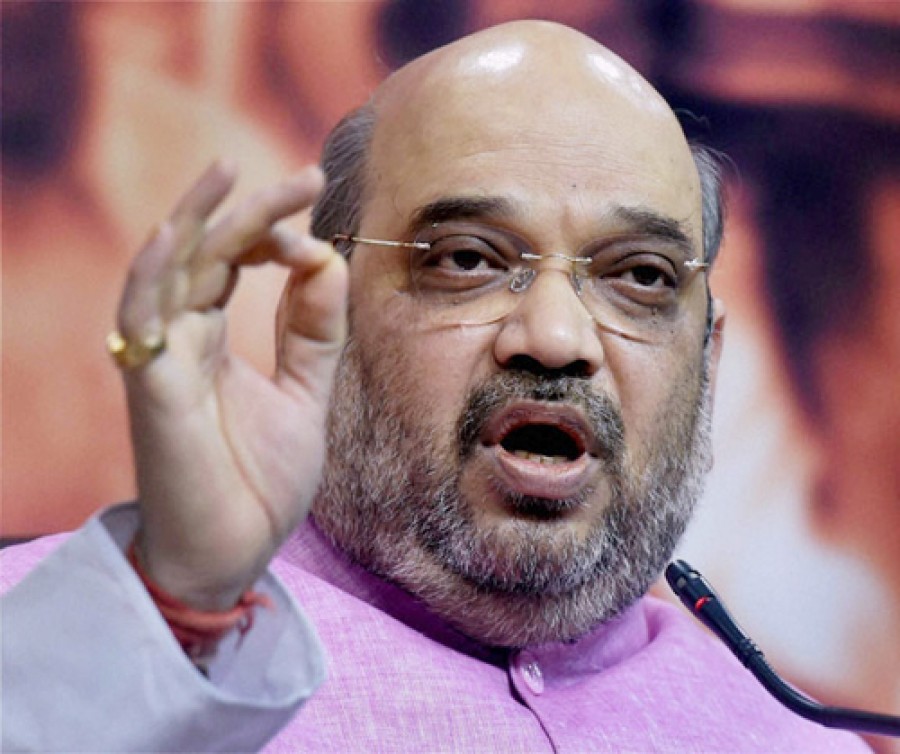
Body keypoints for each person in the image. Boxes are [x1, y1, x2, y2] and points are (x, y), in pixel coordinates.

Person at [1, 21, 871, 753]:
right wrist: (180, 602)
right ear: (320, 317)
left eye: (640, 277)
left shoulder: (800, 739)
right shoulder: (49, 644)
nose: (555, 339)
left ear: (707, 366)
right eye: (466, 260)